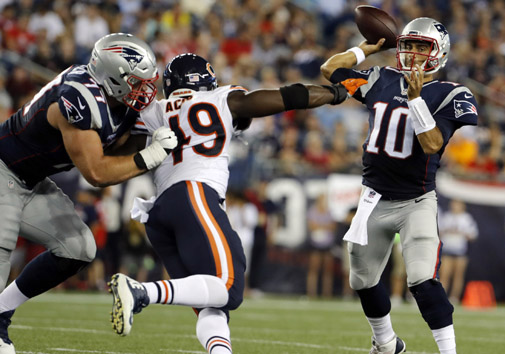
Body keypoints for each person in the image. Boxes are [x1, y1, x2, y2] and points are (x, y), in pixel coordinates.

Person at [107, 53, 348, 352]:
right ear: (205, 81)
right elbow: (289, 97)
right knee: (230, 288)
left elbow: (116, 150)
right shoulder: (222, 98)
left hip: (161, 212)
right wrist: (336, 93)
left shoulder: (154, 110)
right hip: (194, 195)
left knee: (212, 302)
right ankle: (142, 291)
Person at [0, 33, 177, 354]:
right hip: (3, 169)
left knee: (78, 248)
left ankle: (1, 311)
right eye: (138, 82)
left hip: (32, 179)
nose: (147, 90)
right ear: (113, 78)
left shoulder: (118, 100)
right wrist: (152, 155)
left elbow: (123, 145)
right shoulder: (78, 97)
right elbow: (96, 172)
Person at [321, 17, 478, 354]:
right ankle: (386, 342)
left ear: (439, 52)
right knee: (361, 280)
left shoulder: (451, 93)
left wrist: (417, 100)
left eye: (422, 46)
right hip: (373, 198)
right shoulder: (380, 78)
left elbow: (434, 143)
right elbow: (331, 69)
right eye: (408, 45)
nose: (413, 53)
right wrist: (365, 48)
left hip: (416, 201)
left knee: (422, 278)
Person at [438, 199, 478, 304]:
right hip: (447, 250)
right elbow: (439, 232)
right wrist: (448, 231)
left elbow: (473, 235)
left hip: (460, 251)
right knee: (444, 275)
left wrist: (463, 233)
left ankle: (454, 297)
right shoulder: (446, 217)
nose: (455, 206)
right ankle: (442, 296)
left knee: (458, 276)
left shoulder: (467, 218)